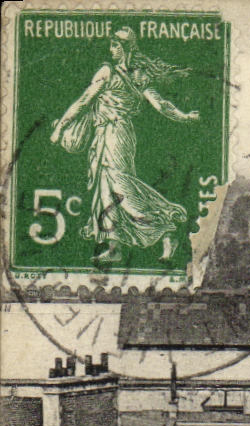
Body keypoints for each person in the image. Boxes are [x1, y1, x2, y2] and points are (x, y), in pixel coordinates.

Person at [49, 27, 199, 264]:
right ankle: (115, 245)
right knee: (106, 188)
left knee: (120, 186)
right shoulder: (135, 76)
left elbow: (85, 101)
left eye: (114, 46)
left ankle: (167, 228)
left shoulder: (110, 72)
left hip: (115, 134)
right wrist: (184, 116)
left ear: (125, 48)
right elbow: (161, 105)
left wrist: (60, 127)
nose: (111, 50)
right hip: (111, 135)